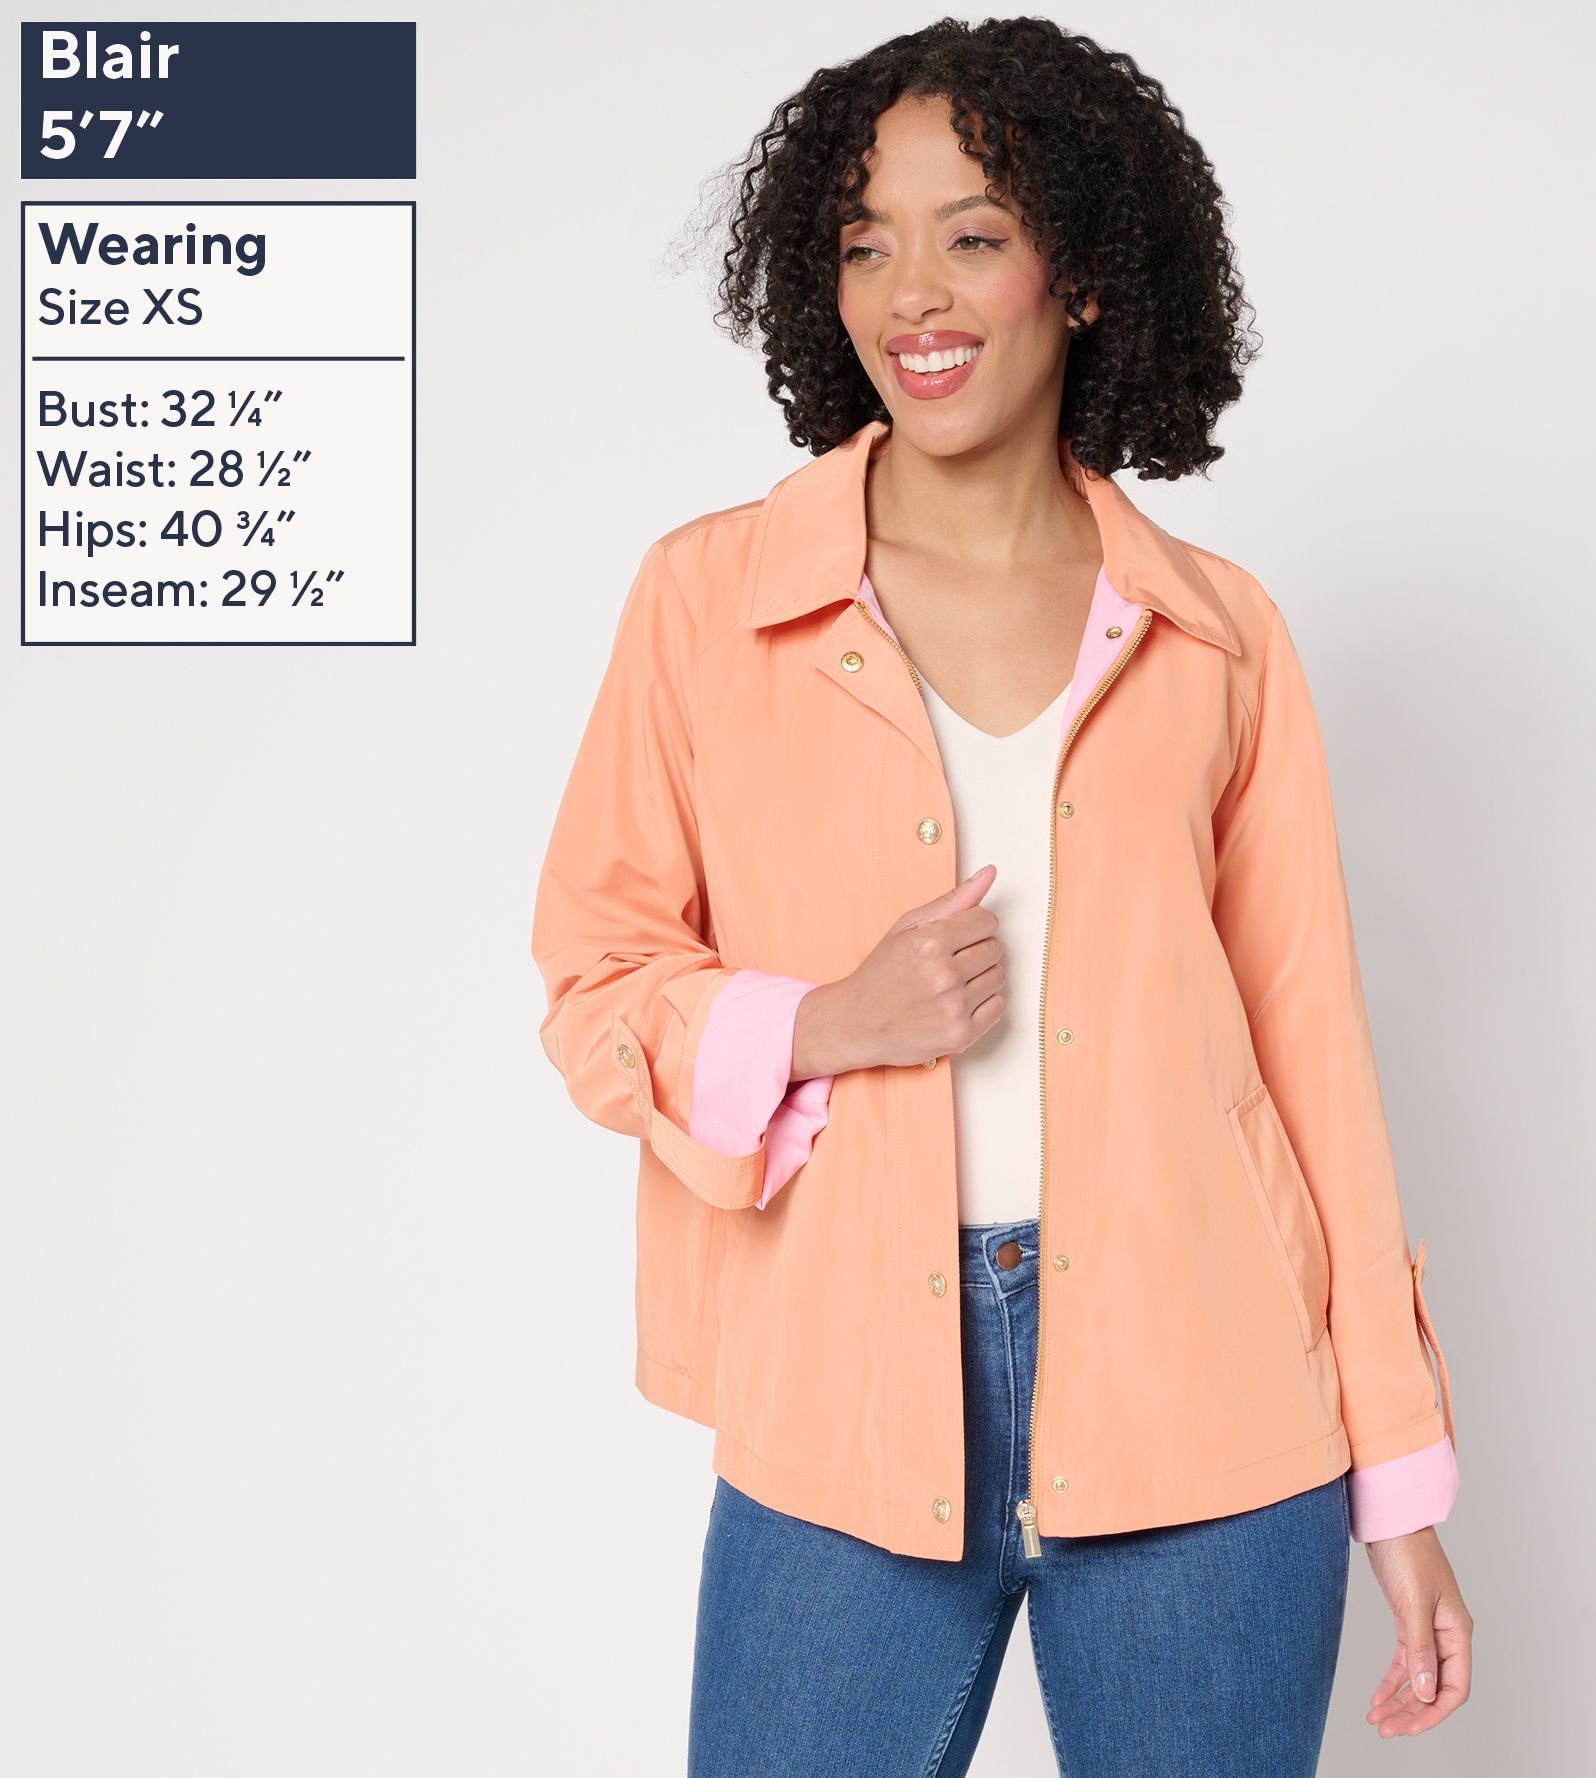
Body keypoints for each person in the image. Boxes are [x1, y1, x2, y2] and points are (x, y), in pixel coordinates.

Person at [532, 17, 1472, 1774]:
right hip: (843, 1394)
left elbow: (1316, 1069)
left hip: (1211, 1397)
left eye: (971, 234)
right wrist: (821, 1019)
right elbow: (594, 975)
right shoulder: (708, 604)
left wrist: (1400, 1484)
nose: (912, 293)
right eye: (864, 241)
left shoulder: (1218, 634)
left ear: (1085, 274)